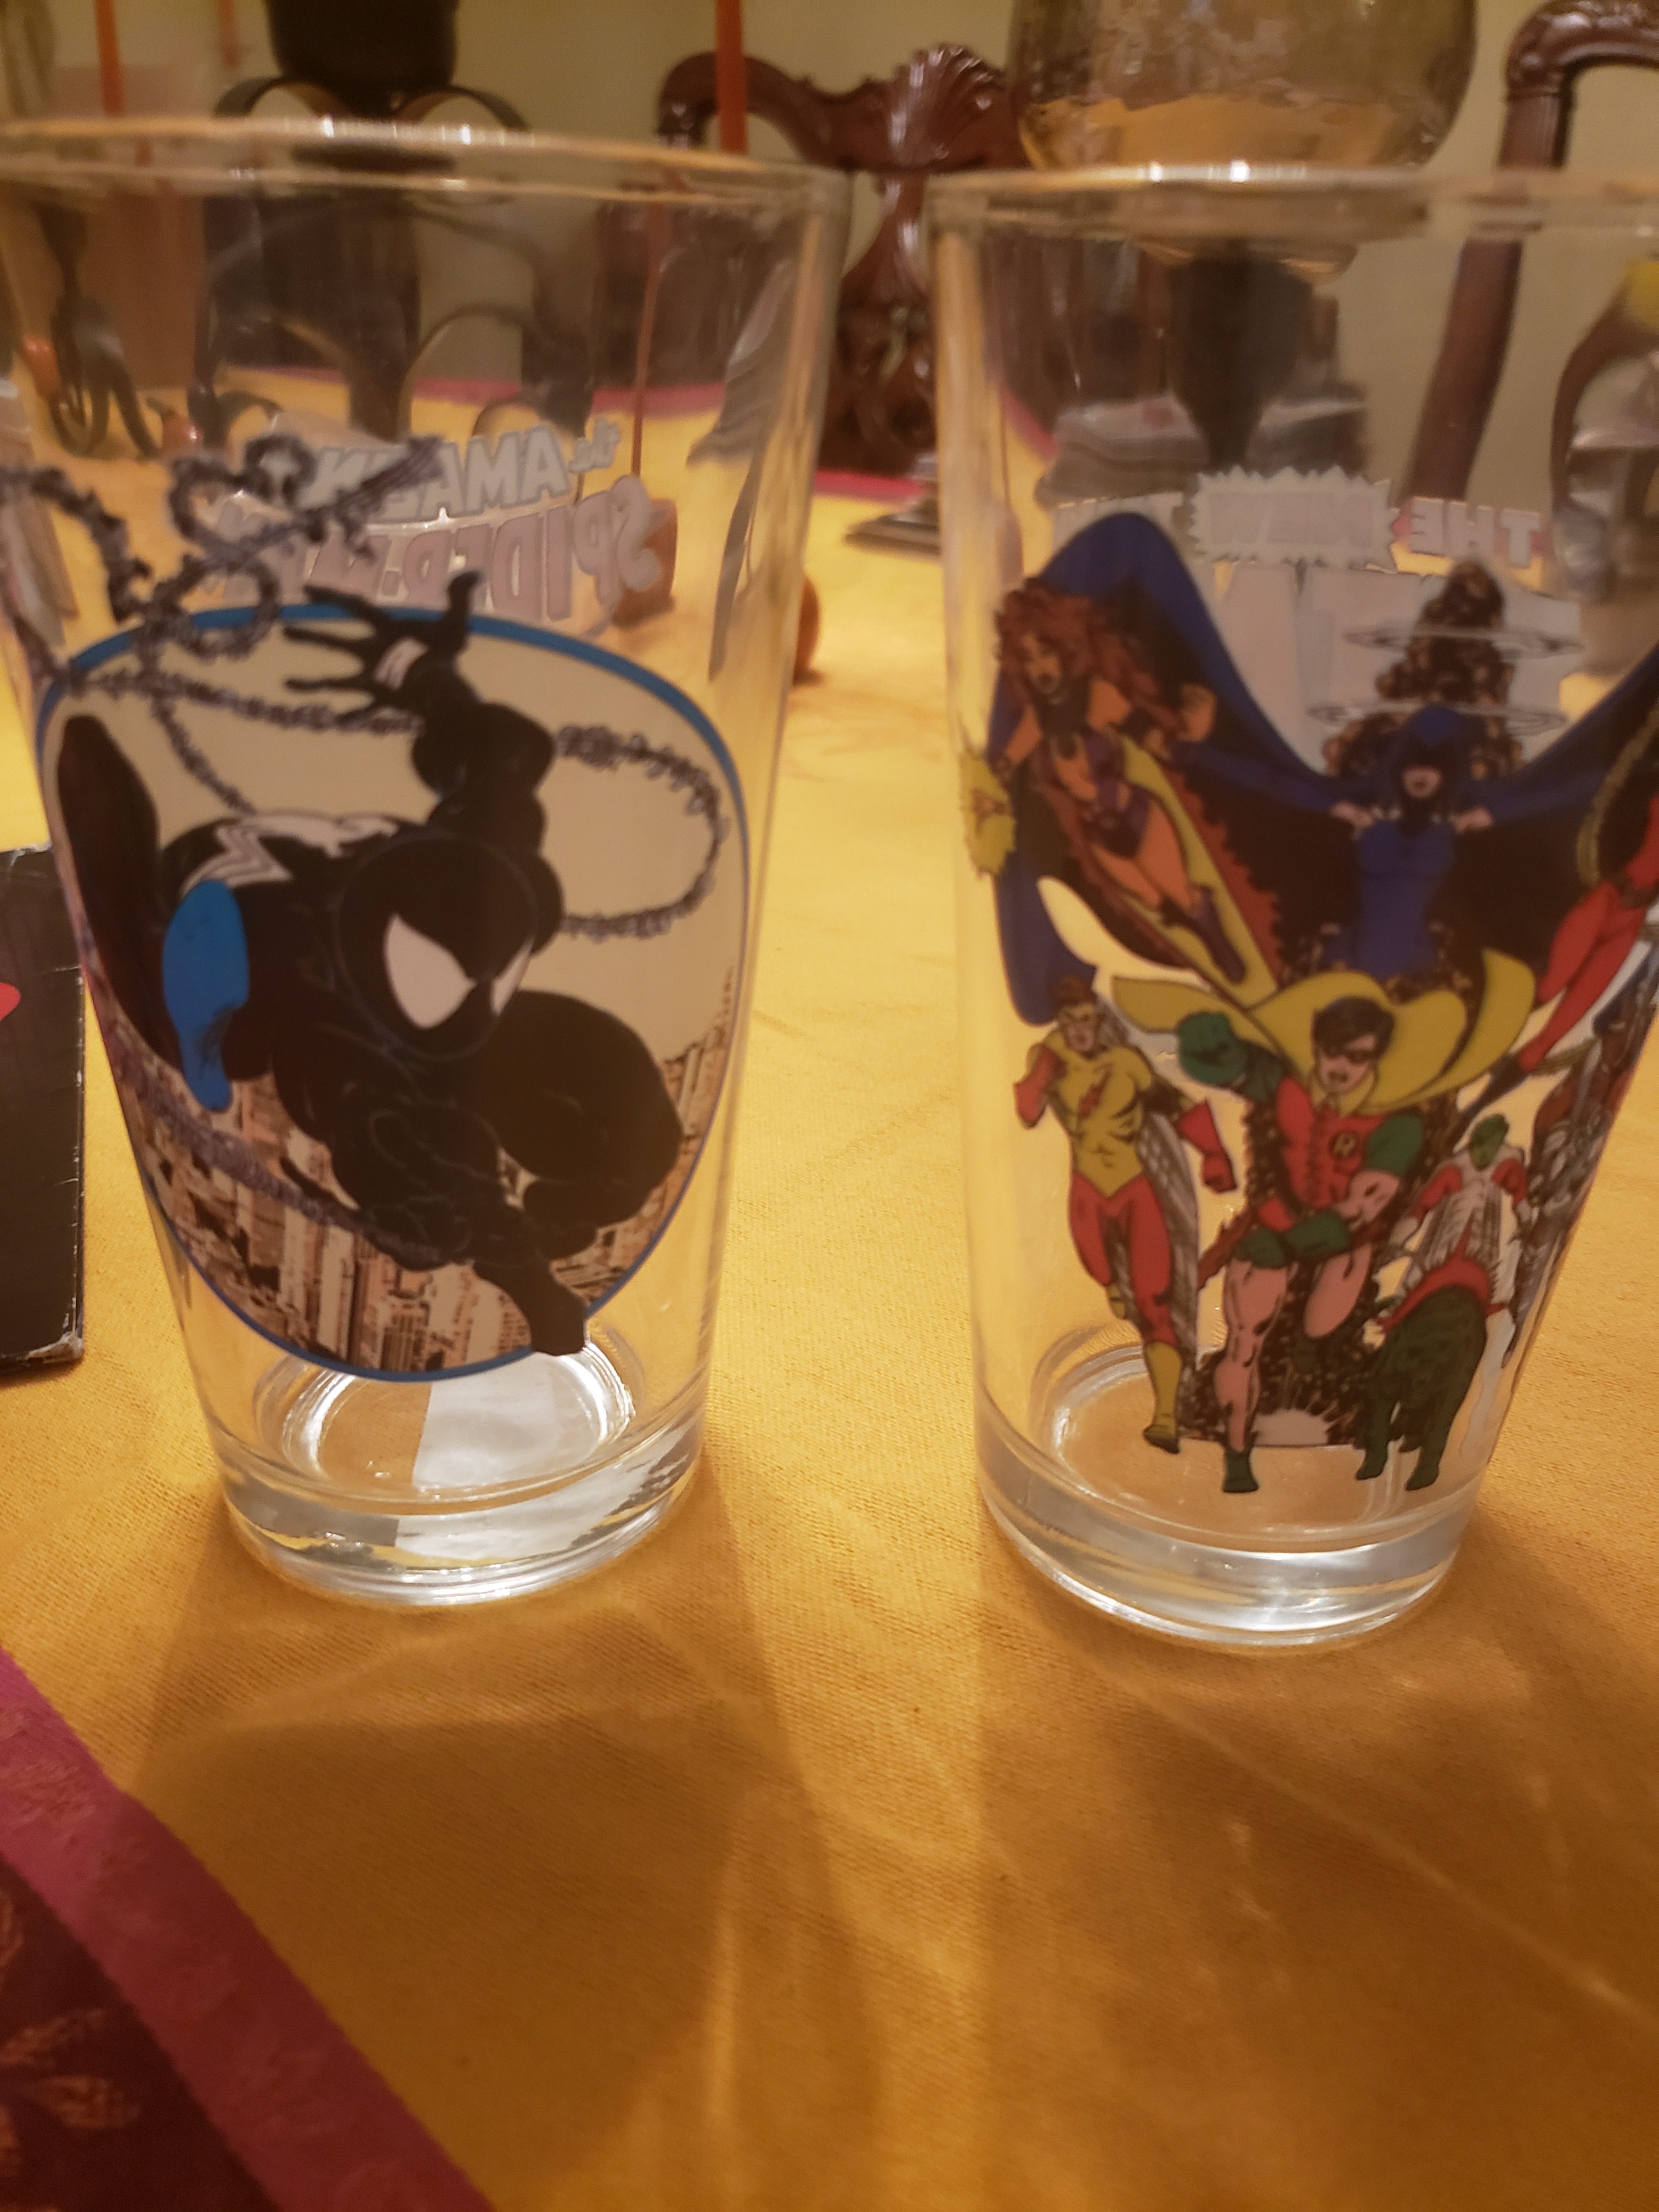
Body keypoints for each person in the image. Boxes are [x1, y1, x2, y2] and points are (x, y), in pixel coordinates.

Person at [1176, 995, 1424, 1492]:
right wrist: (1204, 1043)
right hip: (1276, 1219)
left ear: (1376, 1058)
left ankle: (1311, 1349)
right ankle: (1237, 1453)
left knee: (1323, 1320)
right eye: (1332, 1051)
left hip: (1344, 1241)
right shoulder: (1286, 1084)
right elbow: (1227, 1069)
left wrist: (1296, 1247)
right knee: (1243, 1341)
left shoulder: (1398, 1124)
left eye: (1357, 1056)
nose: (1341, 1067)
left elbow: (1362, 1208)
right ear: (1316, 1047)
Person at [1016, 975, 1235, 1452]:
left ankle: (1166, 1415)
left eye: (1087, 1020)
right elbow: (1027, 1111)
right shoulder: (1051, 1060)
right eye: (1070, 1021)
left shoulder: (1126, 1065)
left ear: (1099, 1020)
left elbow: (1177, 1105)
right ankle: (1114, 1286)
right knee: (1102, 1271)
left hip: (1135, 1192)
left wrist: (1214, 1154)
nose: (1080, 1031)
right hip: (1088, 1194)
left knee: (1155, 1304)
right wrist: (1046, 1068)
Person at [992, 584, 1244, 983]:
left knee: (1188, 902)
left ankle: (1226, 955)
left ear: (1067, 649)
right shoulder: (1038, 719)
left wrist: (1193, 737)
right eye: (1029, 659)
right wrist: (990, 792)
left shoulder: (1098, 697)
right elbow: (1005, 764)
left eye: (1046, 653)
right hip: (1101, 839)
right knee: (1162, 908)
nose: (1041, 668)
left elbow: (1157, 744)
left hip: (1138, 819)